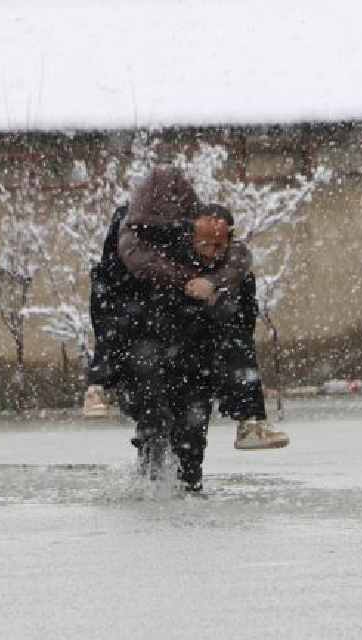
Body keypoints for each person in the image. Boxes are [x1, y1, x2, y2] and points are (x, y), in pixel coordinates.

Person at [86, 168, 287, 489]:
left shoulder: (199, 237)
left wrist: (211, 285)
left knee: (186, 434)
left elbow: (237, 263)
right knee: (157, 425)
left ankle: (182, 481)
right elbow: (124, 284)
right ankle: (160, 481)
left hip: (189, 351)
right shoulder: (133, 245)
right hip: (150, 350)